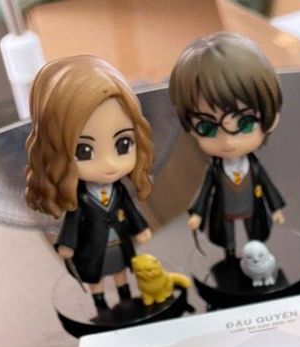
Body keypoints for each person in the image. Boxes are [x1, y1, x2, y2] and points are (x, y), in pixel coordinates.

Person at [25, 56, 154, 315]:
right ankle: (100, 304)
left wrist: (140, 228)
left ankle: (126, 296)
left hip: (119, 243)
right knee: (96, 277)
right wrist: (67, 244)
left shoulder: (119, 191)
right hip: (92, 248)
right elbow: (72, 223)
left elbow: (130, 210)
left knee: (121, 270)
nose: (109, 164)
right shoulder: (80, 199)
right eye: (84, 151)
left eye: (123, 145)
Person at [169, 32, 285, 259]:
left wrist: (276, 208)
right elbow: (205, 192)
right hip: (225, 210)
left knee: (256, 236)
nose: (228, 142)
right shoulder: (215, 171)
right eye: (208, 128)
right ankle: (230, 255)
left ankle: (256, 249)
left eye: (245, 123)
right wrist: (197, 214)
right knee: (227, 239)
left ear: (271, 119)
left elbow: (267, 186)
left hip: (252, 207)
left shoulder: (254, 168)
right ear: (190, 127)